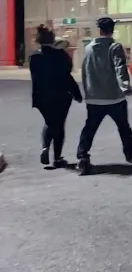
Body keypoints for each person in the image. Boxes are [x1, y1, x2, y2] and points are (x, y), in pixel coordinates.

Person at [77, 17, 132, 176]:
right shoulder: (115, 47)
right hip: (114, 97)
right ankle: (129, 152)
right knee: (123, 127)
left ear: (99, 30)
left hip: (94, 97)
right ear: (112, 30)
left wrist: (88, 91)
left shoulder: (89, 48)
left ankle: (83, 156)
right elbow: (120, 68)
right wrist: (125, 87)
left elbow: (85, 71)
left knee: (90, 128)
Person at [29, 24, 82, 167]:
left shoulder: (33, 57)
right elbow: (67, 75)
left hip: (41, 96)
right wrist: (76, 93)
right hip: (61, 95)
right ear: (52, 39)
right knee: (59, 125)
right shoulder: (60, 55)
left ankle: (45, 147)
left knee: (50, 122)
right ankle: (57, 158)